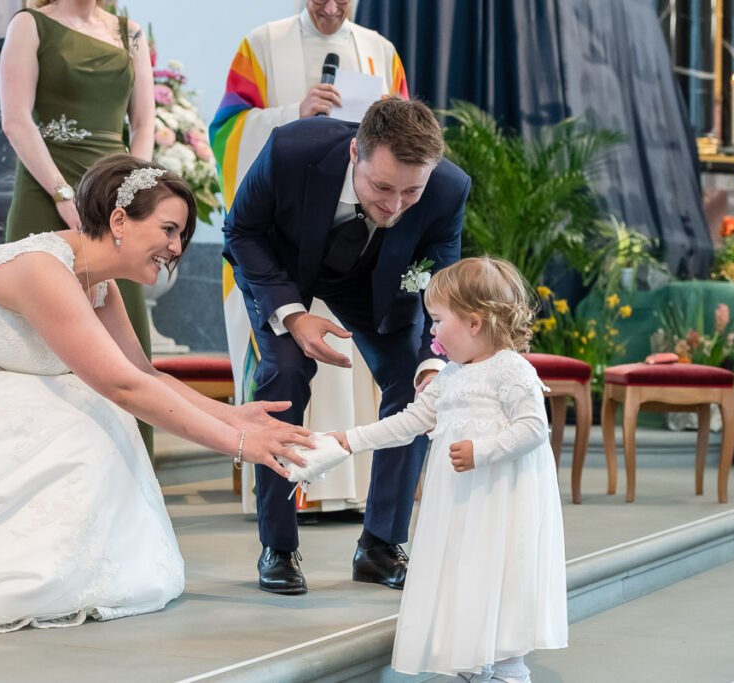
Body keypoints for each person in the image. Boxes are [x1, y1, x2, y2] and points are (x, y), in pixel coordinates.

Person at [0, 155, 310, 638]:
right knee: (88, 409)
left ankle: (51, 563)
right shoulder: (41, 268)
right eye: (169, 230)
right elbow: (123, 386)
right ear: (119, 219)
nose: (177, 247)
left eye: (181, 234)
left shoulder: (99, 285)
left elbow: (142, 373)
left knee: (89, 407)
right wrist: (238, 445)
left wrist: (236, 416)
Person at [223, 98, 471, 594]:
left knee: (417, 385)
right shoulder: (292, 150)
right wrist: (293, 315)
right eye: (382, 187)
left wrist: (431, 363)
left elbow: (442, 286)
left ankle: (381, 545)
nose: (395, 206)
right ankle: (278, 545)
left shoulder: (448, 188)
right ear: (356, 151)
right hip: (285, 269)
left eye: (410, 191)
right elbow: (242, 230)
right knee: (284, 378)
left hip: (379, 283)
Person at [323, 258, 568, 682]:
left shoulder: (512, 370)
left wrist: (483, 450)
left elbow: (534, 428)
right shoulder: (451, 375)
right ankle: (470, 660)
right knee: (463, 572)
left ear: (474, 323)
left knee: (498, 571)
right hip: (457, 503)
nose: (431, 332)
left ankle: (509, 667)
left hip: (498, 502)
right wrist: (349, 440)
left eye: (437, 320)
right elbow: (410, 422)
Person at [210, 0, 410, 515]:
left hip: (356, 240)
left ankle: (355, 489)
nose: (331, 6)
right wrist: (291, 118)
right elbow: (226, 132)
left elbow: (407, 142)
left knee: (357, 364)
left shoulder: (380, 52)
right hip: (282, 243)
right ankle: (285, 496)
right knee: (285, 365)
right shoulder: (261, 44)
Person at [0, 0, 158, 454]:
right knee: (37, 337)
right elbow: (15, 119)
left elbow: (143, 122)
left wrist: (135, 188)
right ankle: (31, 462)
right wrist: (62, 193)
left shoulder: (130, 33)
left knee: (121, 339)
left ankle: (125, 469)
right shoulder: (30, 25)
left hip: (115, 199)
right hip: (46, 188)